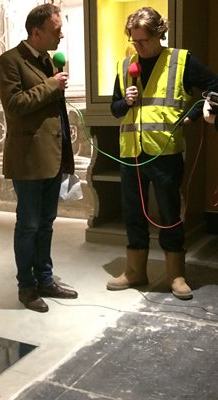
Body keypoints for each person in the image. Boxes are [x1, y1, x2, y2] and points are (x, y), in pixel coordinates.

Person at [107, 7, 218, 300]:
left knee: (169, 214)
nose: (138, 46)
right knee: (133, 213)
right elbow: (115, 108)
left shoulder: (181, 61)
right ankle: (135, 271)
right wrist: (125, 102)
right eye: (134, 40)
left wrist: (194, 114)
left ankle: (175, 275)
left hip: (165, 153)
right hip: (130, 153)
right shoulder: (125, 64)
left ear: (159, 35)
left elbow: (214, 86)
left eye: (143, 40)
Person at [0, 4, 78, 313]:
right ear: (36, 31)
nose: (61, 35)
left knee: (46, 223)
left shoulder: (49, 61)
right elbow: (15, 105)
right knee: (28, 225)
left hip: (53, 156)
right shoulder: (9, 61)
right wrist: (51, 85)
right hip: (28, 158)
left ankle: (45, 279)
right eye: (56, 30)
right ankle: (26, 287)